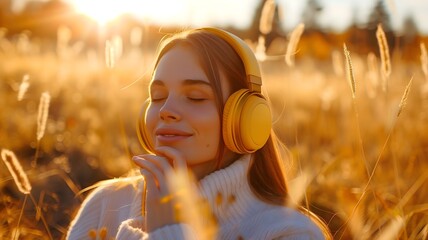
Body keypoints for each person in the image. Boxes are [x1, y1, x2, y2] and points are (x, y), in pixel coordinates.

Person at [66, 27, 331, 239]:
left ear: (245, 118)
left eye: (195, 97)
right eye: (157, 97)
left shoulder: (289, 232)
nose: (166, 110)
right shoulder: (106, 204)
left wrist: (166, 233)